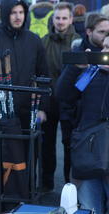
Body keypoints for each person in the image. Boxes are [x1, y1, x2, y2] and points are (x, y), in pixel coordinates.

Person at [0, 0, 48, 205]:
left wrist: (42, 108)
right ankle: (2, 200)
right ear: (6, 14)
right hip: (1, 114)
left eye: (21, 12)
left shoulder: (34, 40)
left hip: (29, 112)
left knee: (28, 155)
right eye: (13, 12)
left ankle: (26, 198)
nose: (18, 16)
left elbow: (44, 75)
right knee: (1, 157)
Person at [56, 35, 109, 214]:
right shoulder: (92, 72)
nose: (104, 52)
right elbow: (63, 95)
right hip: (89, 152)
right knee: (89, 207)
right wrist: (75, 69)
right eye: (104, 47)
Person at [41, 2, 80, 191]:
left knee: (69, 145)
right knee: (46, 145)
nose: (61, 21)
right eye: (58, 17)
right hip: (48, 100)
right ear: (53, 19)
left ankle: (69, 185)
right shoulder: (44, 41)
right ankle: (47, 183)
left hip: (70, 102)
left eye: (65, 18)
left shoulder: (78, 42)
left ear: (71, 19)